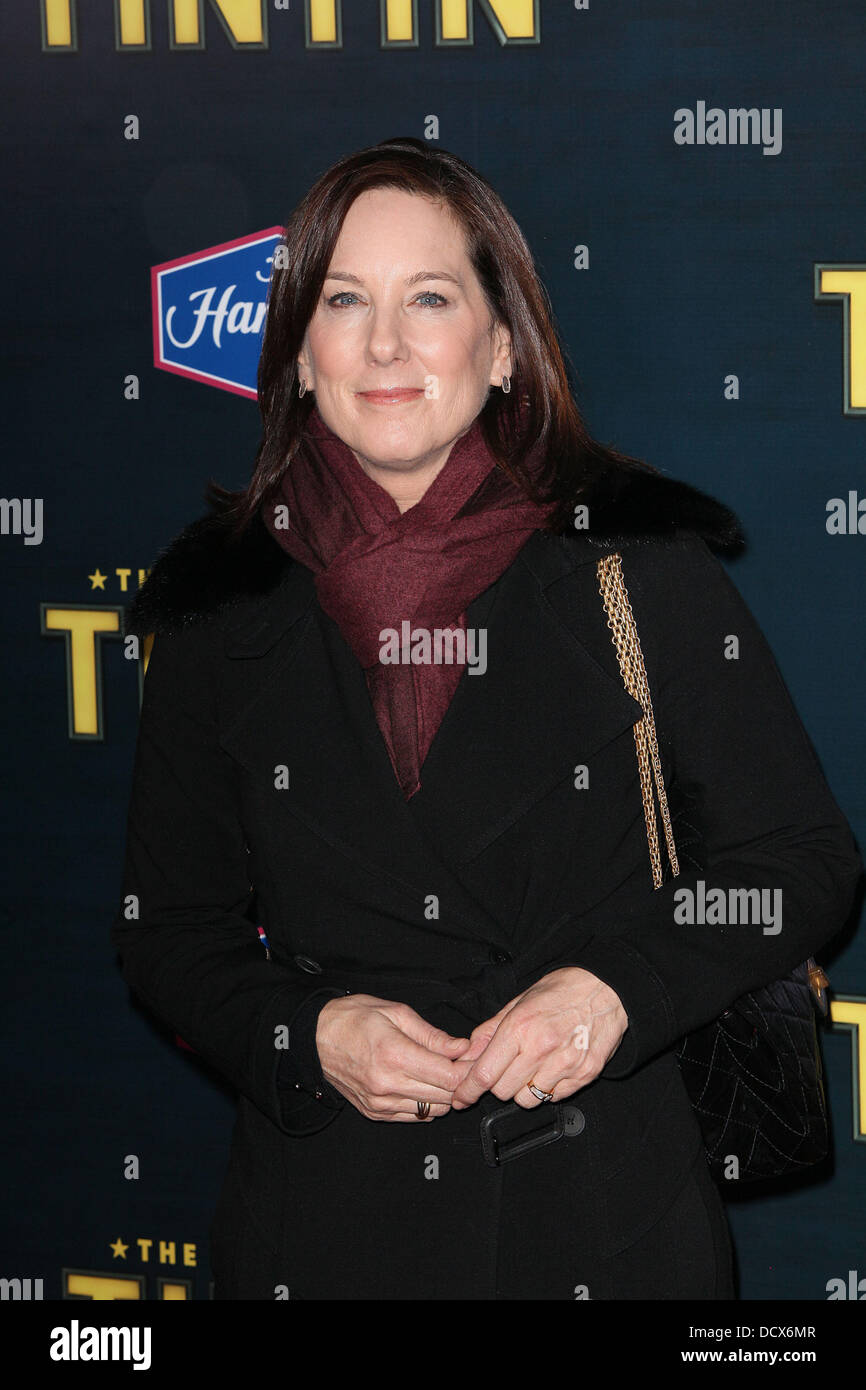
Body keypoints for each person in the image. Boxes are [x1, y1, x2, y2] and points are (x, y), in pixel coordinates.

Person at [111, 137, 861, 1301]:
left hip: (604, 1219)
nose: (385, 344)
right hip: (325, 1226)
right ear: (298, 353)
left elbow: (799, 861)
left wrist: (616, 988)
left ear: (501, 345)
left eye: (430, 298)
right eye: (342, 300)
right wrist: (307, 1033)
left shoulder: (635, 569)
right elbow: (166, 931)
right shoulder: (221, 608)